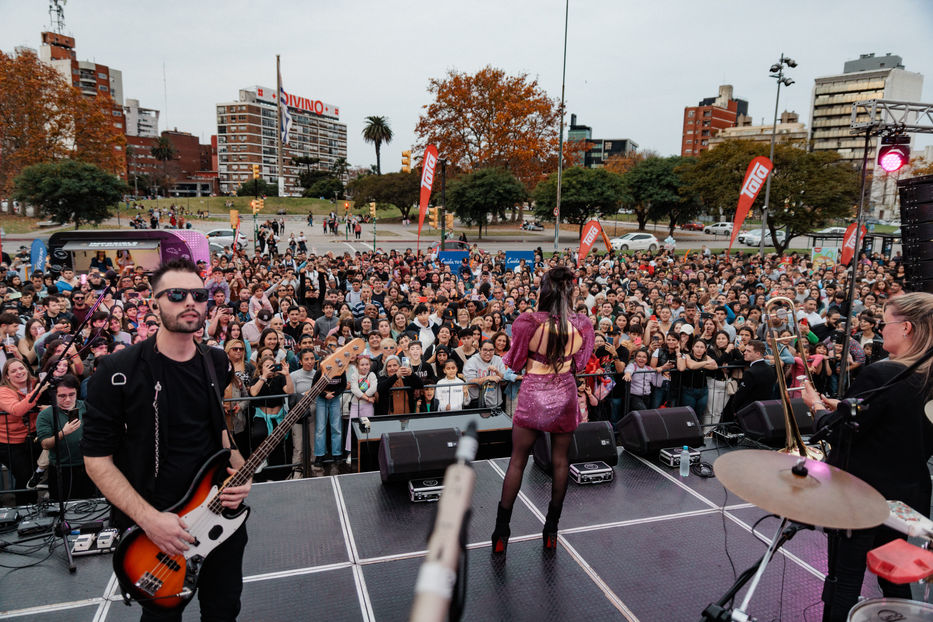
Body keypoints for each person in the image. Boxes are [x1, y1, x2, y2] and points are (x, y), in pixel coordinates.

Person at [82, 258, 251, 622]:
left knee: (223, 610)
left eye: (199, 294)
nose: (189, 302)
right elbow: (96, 459)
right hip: (157, 526)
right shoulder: (118, 371)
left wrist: (241, 473)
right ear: (154, 303)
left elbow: (218, 431)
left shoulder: (216, 361)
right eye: (176, 294)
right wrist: (149, 520)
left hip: (217, 514)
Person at [802, 292, 933, 622]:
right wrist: (842, 407)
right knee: (892, 572)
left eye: (884, 323)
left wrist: (816, 407)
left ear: (905, 328)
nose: (879, 330)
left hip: (862, 497)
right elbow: (902, 425)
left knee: (844, 580)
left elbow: (837, 434)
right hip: (906, 498)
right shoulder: (926, 378)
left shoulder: (882, 374)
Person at [492, 266, 594, 553]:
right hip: (565, 392)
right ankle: (551, 530)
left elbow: (513, 362)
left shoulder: (527, 322)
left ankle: (501, 534)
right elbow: (581, 363)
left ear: (544, 290)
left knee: (517, 462)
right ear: (571, 290)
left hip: (534, 392)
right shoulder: (583, 324)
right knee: (561, 461)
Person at [36, 374, 96, 500]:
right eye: (62, 396)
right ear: (54, 395)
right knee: (62, 506)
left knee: (89, 505)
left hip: (87, 466)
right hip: (61, 469)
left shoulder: (87, 407)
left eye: (72, 394)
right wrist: (63, 433)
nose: (68, 399)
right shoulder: (46, 415)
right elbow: (45, 444)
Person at [721, 340, 775, 422]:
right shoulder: (770, 369)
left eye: (748, 351)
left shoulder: (750, 372)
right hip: (763, 409)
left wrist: (734, 409)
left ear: (758, 354)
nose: (744, 353)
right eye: (745, 350)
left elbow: (741, 394)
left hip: (748, 411)